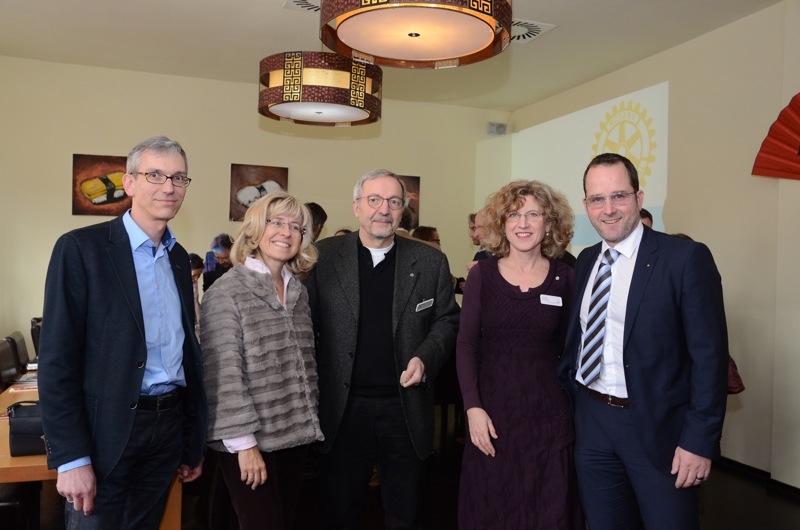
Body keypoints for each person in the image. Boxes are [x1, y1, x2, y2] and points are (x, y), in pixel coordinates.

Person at [38, 136, 208, 528]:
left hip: (166, 430)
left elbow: (186, 354)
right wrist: (71, 457)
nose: (169, 187)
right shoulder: (81, 249)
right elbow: (56, 360)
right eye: (155, 175)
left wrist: (190, 439)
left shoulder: (180, 258)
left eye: (179, 178)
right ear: (129, 183)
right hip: (105, 432)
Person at [558, 153, 729, 530]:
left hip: (658, 428)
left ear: (639, 198)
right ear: (586, 205)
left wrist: (700, 441)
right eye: (597, 199)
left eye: (619, 196)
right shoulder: (586, 261)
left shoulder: (684, 259)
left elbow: (710, 359)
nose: (608, 209)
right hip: (593, 422)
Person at [305, 169, 460, 529]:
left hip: (405, 409)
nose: (383, 210)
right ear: (357, 206)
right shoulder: (322, 259)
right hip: (342, 409)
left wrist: (426, 356)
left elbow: (447, 320)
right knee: (341, 512)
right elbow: (304, 324)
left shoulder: (430, 262)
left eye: (393, 202)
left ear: (403, 209)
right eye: (374, 200)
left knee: (404, 514)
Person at [457, 180, 584, 529]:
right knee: (493, 507)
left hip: (551, 420)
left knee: (549, 509)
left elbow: (574, 349)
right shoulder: (482, 276)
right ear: (501, 223)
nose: (523, 223)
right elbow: (466, 344)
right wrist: (473, 407)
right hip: (493, 417)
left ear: (549, 223)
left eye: (533, 214)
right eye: (514, 214)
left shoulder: (566, 279)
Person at [201, 191, 323, 530]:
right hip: (250, 442)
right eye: (277, 223)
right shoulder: (227, 292)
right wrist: (245, 445)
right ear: (255, 229)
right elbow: (223, 376)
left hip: (294, 436)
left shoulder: (298, 292)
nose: (286, 232)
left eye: (296, 227)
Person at [189, 253, 204, 337]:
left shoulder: (193, 282)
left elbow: (195, 301)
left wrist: (199, 323)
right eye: (194, 275)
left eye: (199, 275)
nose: (196, 279)